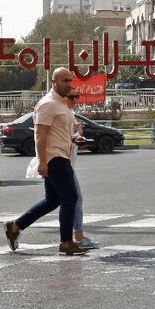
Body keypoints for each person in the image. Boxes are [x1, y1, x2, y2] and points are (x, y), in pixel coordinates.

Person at [5, 67, 90, 256]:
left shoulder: (62, 105)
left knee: (52, 201)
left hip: (61, 155)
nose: (69, 85)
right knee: (70, 198)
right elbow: (40, 135)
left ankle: (15, 226)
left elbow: (59, 133)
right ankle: (66, 243)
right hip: (54, 158)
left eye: (70, 81)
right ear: (54, 82)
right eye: (65, 81)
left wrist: (75, 138)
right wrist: (43, 161)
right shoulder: (48, 104)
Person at [64, 93, 100, 250]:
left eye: (76, 97)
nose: (75, 100)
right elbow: (66, 138)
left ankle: (16, 226)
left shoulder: (69, 114)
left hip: (64, 163)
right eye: (71, 97)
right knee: (75, 200)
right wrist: (78, 134)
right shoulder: (62, 115)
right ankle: (77, 238)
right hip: (61, 163)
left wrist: (78, 133)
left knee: (51, 201)